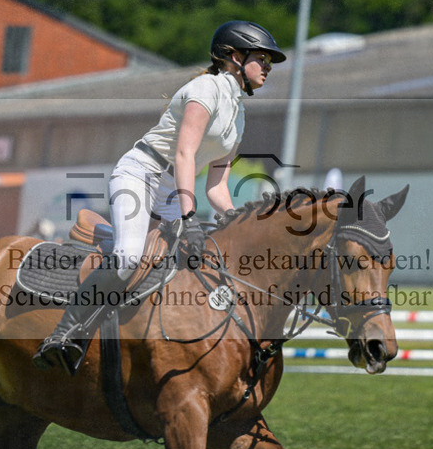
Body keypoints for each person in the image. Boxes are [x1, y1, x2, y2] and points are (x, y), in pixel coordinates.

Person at [33, 20, 286, 373]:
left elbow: (216, 185)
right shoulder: (205, 88)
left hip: (171, 189)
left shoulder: (239, 112)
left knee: (197, 263)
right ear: (233, 57)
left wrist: (239, 222)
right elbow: (184, 155)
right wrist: (188, 217)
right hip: (141, 174)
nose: (269, 66)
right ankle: (64, 333)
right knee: (128, 258)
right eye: (263, 58)